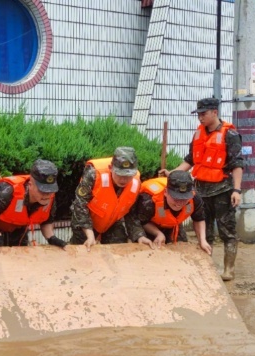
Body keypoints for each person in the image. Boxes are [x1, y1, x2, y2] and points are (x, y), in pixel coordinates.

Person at [160, 97, 244, 280]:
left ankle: (228, 269)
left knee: (227, 231)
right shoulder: (198, 134)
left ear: (215, 112)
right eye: (198, 114)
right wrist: (172, 173)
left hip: (223, 190)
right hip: (201, 190)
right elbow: (190, 160)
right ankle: (208, 268)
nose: (200, 118)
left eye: (203, 114)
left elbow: (238, 164)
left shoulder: (230, 135)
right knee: (204, 232)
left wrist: (237, 191)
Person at [69, 146, 153, 250]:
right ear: (110, 167)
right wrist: (90, 235)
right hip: (86, 220)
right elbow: (80, 204)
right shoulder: (94, 173)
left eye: (128, 175)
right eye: (119, 174)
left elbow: (131, 213)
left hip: (112, 221)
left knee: (120, 246)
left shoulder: (136, 183)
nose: (123, 179)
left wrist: (139, 235)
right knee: (81, 249)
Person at [0, 159, 67, 250]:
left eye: (50, 190)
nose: (46, 195)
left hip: (19, 226)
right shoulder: (5, 193)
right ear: (30, 185)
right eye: (42, 190)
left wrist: (52, 238)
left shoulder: (49, 198)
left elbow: (47, 221)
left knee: (21, 251)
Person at [134, 171, 212, 255]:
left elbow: (199, 219)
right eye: (176, 198)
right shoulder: (149, 201)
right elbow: (143, 221)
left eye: (184, 199)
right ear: (166, 192)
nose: (179, 203)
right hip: (151, 225)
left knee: (181, 249)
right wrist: (158, 233)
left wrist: (202, 240)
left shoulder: (194, 198)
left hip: (174, 224)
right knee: (151, 251)